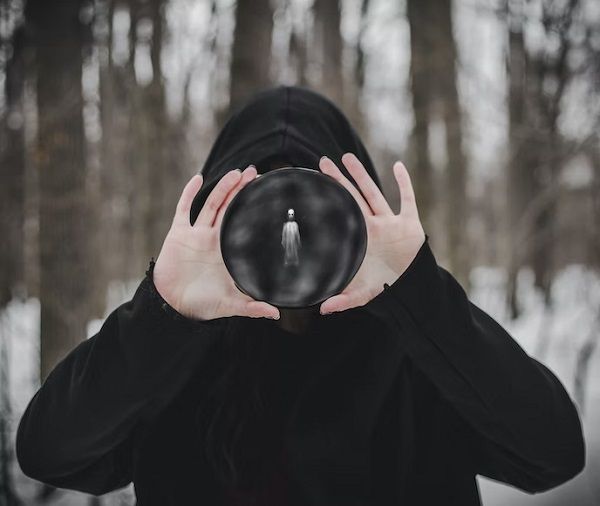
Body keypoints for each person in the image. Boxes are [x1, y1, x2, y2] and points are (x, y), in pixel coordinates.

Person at [16, 86, 585, 505]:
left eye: (316, 207)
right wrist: (163, 311)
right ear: (220, 214)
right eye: (257, 210)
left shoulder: (416, 344)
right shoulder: (174, 355)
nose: (291, 236)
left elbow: (552, 454)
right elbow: (49, 450)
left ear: (356, 214)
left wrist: (417, 293)